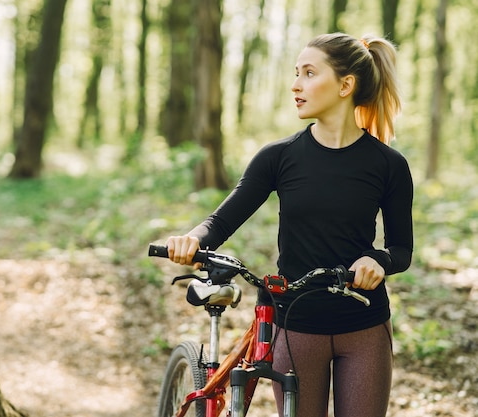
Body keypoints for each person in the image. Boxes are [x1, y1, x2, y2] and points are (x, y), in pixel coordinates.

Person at [164, 32, 413, 417]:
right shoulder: (278, 158)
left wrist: (378, 260)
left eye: (310, 73)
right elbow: (221, 220)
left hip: (364, 326)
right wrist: (192, 239)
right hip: (296, 326)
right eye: (296, 73)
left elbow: (401, 249)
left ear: (346, 85)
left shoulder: (388, 165)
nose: (296, 85)